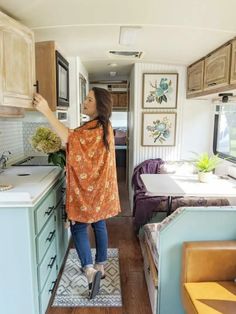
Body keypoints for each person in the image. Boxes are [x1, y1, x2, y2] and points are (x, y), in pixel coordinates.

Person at [33, 87, 121, 299]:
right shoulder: (104, 126)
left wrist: (46, 111)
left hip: (88, 190)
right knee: (99, 223)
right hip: (101, 190)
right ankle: (100, 266)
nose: (85, 102)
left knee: (79, 226)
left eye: (89, 99)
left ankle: (89, 271)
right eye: (86, 98)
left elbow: (71, 138)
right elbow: (81, 146)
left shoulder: (93, 128)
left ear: (99, 105)